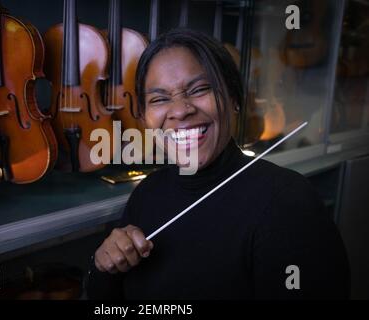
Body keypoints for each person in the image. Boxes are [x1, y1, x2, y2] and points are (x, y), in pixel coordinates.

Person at [87, 29, 350, 299]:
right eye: (160, 99)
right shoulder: (147, 193)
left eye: (200, 89)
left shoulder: (288, 200)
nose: (180, 110)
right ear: (143, 117)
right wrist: (104, 265)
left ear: (234, 98)